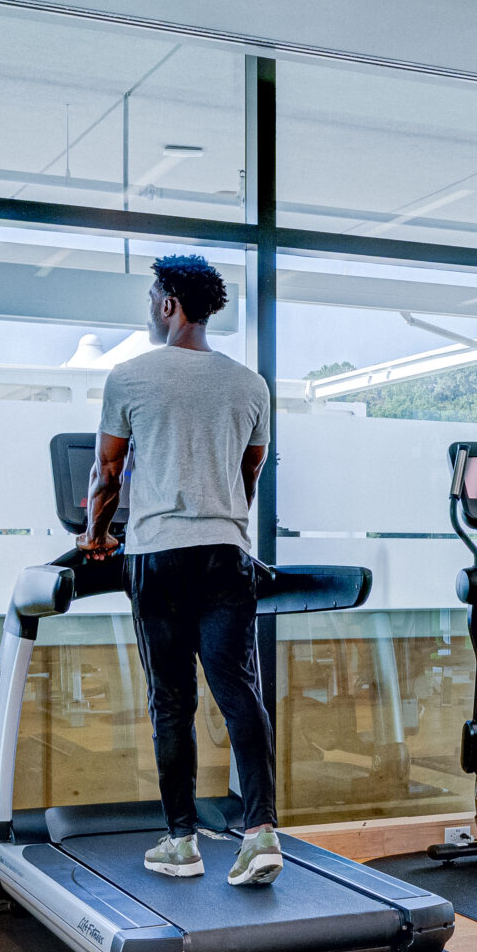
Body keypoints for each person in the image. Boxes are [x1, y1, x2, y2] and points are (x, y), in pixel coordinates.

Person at [79, 254, 282, 887]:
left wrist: (95, 535)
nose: (149, 311)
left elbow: (108, 473)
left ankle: (180, 842)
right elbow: (250, 474)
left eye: (150, 300)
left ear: (169, 304)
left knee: (172, 701)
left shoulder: (130, 377)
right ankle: (260, 833)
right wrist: (225, 523)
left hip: (157, 556)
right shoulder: (251, 385)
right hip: (227, 555)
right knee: (239, 692)